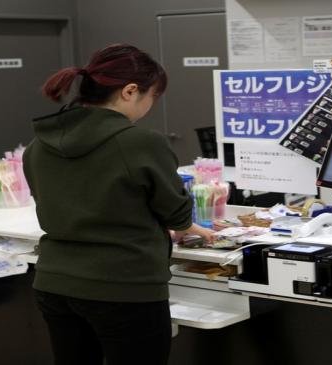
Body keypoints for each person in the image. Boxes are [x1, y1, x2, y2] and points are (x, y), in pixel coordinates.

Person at [22, 44, 215, 365]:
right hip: (124, 287)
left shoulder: (37, 145)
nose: (150, 107)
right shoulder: (141, 142)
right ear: (130, 91)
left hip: (55, 283)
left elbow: (66, 200)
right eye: (152, 97)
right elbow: (174, 210)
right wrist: (187, 226)